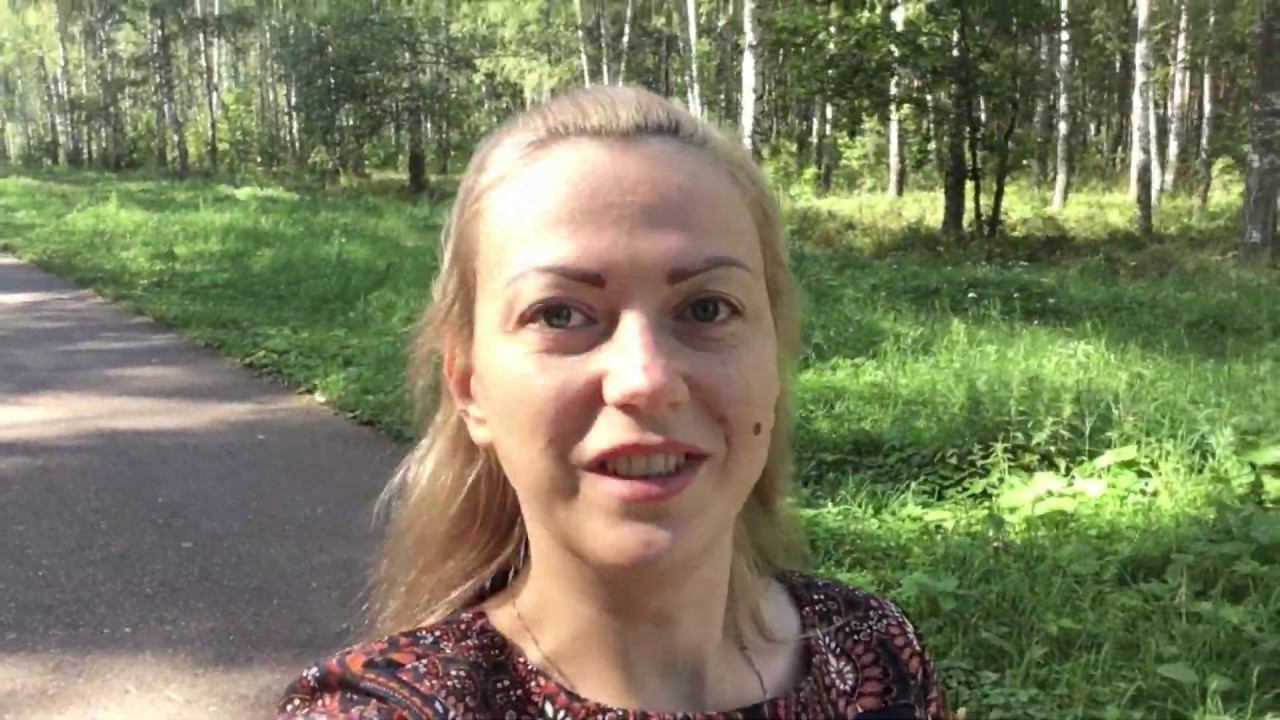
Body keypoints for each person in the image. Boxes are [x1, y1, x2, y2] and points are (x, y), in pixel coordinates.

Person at [278, 86, 948, 720]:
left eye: (707, 308)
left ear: (773, 357)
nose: (645, 379)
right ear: (469, 386)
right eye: (560, 314)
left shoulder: (873, 653)